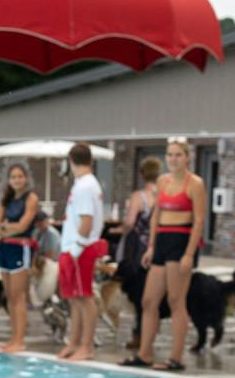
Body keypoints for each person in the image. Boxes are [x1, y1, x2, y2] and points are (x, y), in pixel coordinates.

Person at [132, 137, 207, 371]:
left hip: (181, 240)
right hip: (162, 240)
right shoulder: (162, 182)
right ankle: (144, 354)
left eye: (178, 155)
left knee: (176, 300)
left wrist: (188, 254)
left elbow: (199, 221)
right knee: (149, 300)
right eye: (170, 155)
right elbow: (155, 216)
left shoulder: (195, 183)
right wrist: (151, 246)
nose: (173, 159)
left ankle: (176, 357)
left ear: (187, 157)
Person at [55, 143, 106, 361]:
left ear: (70, 161)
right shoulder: (83, 184)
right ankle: (74, 342)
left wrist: (77, 247)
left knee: (85, 297)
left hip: (80, 249)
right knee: (74, 298)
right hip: (73, 247)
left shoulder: (86, 186)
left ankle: (87, 345)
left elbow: (87, 219)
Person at [115, 157, 161, 365]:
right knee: (154, 295)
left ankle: (139, 334)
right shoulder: (161, 194)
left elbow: (131, 222)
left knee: (139, 295)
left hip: (138, 249)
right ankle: (148, 333)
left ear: (141, 174)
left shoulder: (139, 196)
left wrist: (119, 230)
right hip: (157, 247)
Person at [0, 163, 40, 354]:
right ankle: (13, 337)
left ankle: (20, 340)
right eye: (13, 177)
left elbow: (23, 226)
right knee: (10, 296)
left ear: (26, 178)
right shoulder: (7, 199)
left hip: (21, 249)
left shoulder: (32, 198)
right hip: (5, 248)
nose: (17, 180)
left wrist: (6, 228)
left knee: (19, 296)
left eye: (20, 176)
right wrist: (7, 228)